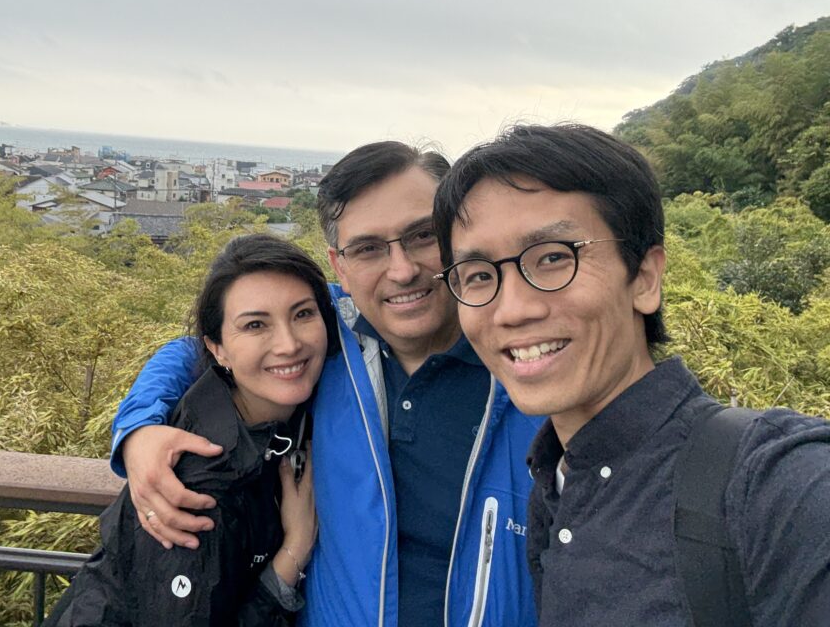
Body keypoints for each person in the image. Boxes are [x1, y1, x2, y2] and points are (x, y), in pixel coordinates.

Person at [111, 142, 542, 626]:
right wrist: (139, 428)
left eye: (423, 235)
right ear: (341, 266)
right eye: (368, 248)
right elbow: (197, 346)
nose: (401, 271)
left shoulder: (528, 355)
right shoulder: (325, 336)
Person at [431, 123, 830, 626]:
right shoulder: (552, 483)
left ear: (644, 278)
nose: (510, 311)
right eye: (480, 276)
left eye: (553, 258)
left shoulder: (772, 484)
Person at [44, 234, 342, 626]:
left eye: (303, 314)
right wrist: (294, 551)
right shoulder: (194, 484)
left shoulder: (273, 417)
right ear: (218, 348)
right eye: (255, 325)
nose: (288, 344)